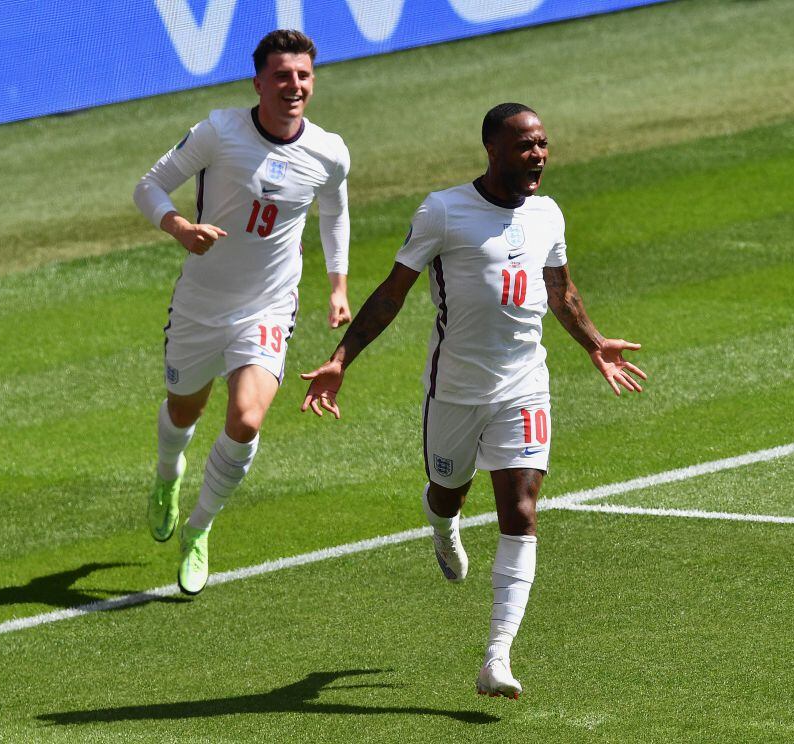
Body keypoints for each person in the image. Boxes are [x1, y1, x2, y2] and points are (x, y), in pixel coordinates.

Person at [300, 102, 645, 698]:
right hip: (456, 390)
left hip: (524, 382)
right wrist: (340, 359)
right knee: (446, 490)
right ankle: (442, 525)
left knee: (522, 508)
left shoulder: (548, 214)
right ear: (492, 150)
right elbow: (391, 294)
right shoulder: (443, 211)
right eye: (524, 145)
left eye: (542, 143)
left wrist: (594, 344)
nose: (537, 154)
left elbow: (559, 288)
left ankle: (497, 657)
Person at [133, 29, 352, 596]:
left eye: (303, 76)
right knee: (185, 410)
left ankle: (199, 529)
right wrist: (180, 228)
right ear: (258, 83)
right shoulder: (218, 132)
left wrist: (337, 286)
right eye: (282, 76)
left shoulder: (329, 152)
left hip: (268, 305)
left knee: (247, 418)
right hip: (201, 304)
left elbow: (334, 215)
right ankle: (167, 477)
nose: (294, 86)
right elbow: (150, 186)